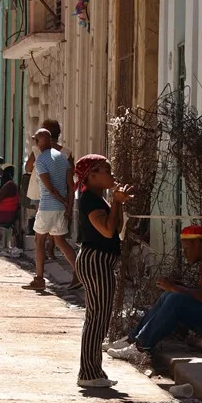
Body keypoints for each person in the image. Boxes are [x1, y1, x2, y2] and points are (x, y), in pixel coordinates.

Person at [107, 225, 202, 361]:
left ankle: (140, 348)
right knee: (167, 295)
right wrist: (178, 288)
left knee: (175, 300)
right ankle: (132, 339)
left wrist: (176, 288)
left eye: (187, 249)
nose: (184, 254)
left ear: (198, 244)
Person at [73, 155, 134, 388]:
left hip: (100, 261)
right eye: (106, 171)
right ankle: (89, 373)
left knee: (99, 318)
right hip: (96, 260)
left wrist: (118, 202)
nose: (111, 174)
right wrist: (116, 202)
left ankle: (93, 370)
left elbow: (115, 227)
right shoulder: (90, 200)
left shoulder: (97, 199)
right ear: (92, 176)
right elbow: (107, 231)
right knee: (96, 318)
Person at [23, 129, 81, 291]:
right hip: (61, 209)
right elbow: (71, 185)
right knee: (61, 241)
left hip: (47, 207)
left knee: (39, 241)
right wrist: (68, 206)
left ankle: (39, 278)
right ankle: (80, 273)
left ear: (39, 142)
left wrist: (63, 201)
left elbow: (49, 188)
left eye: (36, 140)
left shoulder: (41, 160)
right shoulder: (62, 158)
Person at [25, 120, 72, 256]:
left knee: (40, 232)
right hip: (61, 192)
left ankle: (41, 258)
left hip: (41, 192)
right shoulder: (66, 153)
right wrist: (68, 203)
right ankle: (51, 248)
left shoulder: (37, 152)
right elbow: (71, 175)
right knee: (57, 230)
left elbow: (28, 168)